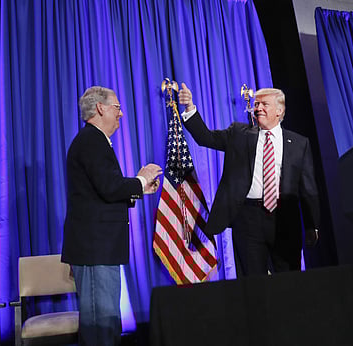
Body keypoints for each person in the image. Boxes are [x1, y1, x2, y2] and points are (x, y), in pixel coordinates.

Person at [178, 83, 320, 276]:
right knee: (253, 284)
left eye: (264, 104)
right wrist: (189, 109)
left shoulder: (299, 143)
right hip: (248, 219)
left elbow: (308, 189)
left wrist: (313, 225)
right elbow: (206, 138)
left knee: (289, 283)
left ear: (279, 111)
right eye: (256, 104)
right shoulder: (239, 134)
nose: (258, 108)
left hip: (285, 219)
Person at [61, 86, 162, 346]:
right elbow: (109, 187)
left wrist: (138, 187)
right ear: (100, 108)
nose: (122, 114)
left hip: (100, 248)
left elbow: (102, 191)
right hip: (95, 250)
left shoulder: (95, 141)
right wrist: (140, 180)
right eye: (117, 107)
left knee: (108, 324)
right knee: (101, 326)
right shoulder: (91, 141)